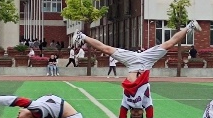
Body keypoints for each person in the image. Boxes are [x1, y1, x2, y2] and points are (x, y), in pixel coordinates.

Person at [71, 22, 201, 79]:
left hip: (133, 61)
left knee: (106, 49)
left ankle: (82, 36)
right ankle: (189, 26)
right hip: (145, 60)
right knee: (169, 43)